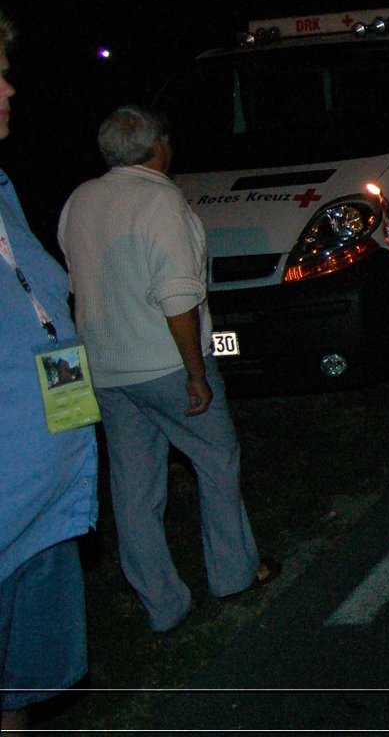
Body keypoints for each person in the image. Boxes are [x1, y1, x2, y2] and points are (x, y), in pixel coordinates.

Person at [57, 106, 277, 634]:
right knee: (216, 461)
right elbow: (178, 295)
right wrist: (195, 372)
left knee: (134, 488)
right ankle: (233, 573)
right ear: (157, 146)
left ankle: (162, 603)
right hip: (162, 362)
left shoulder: (79, 199)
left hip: (106, 369)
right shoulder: (160, 200)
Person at [0, 16, 99, 729]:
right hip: (11, 498)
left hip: (49, 500)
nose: (8, 88)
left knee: (21, 687)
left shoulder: (4, 191)